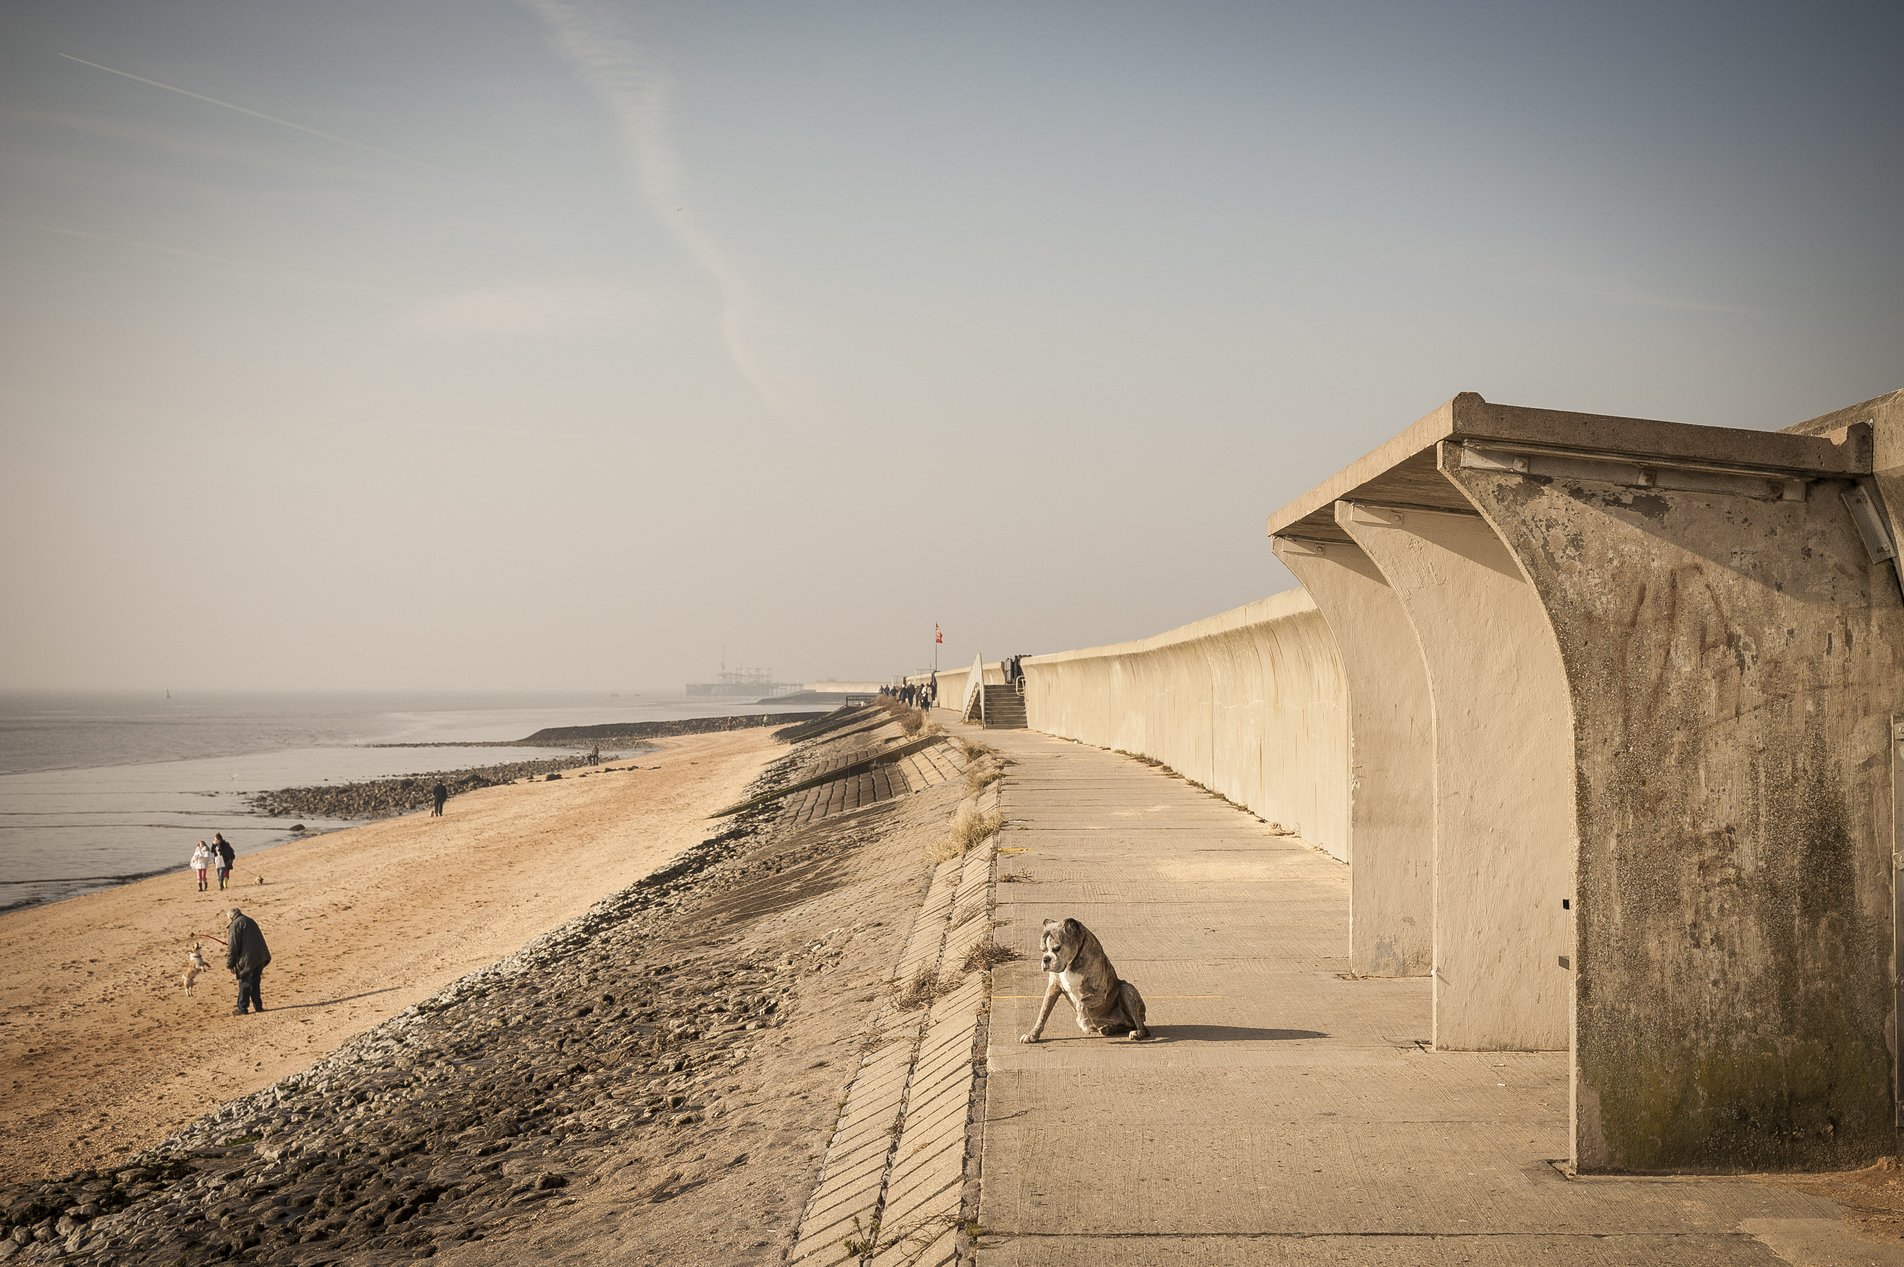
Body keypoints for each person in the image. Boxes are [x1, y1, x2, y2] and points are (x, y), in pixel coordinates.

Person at [225, 907, 271, 1015]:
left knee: (245, 982)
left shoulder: (235, 925)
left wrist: (230, 964)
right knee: (255, 981)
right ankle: (258, 1006)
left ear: (231, 917)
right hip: (260, 955)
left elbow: (233, 946)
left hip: (249, 958)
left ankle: (242, 1008)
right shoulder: (249, 920)